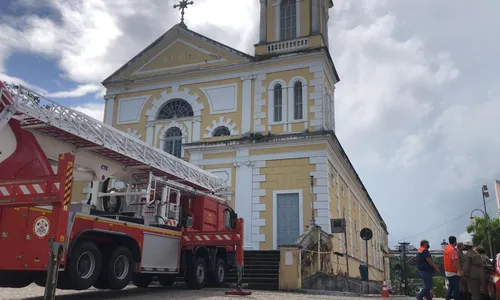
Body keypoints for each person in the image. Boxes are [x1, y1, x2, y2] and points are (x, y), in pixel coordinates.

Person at [444, 236, 462, 300]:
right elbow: (455, 262)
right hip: (453, 272)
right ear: (455, 241)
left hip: (447, 271)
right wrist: (460, 271)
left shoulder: (446, 248)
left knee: (451, 286)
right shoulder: (453, 250)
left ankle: (447, 298)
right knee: (456, 289)